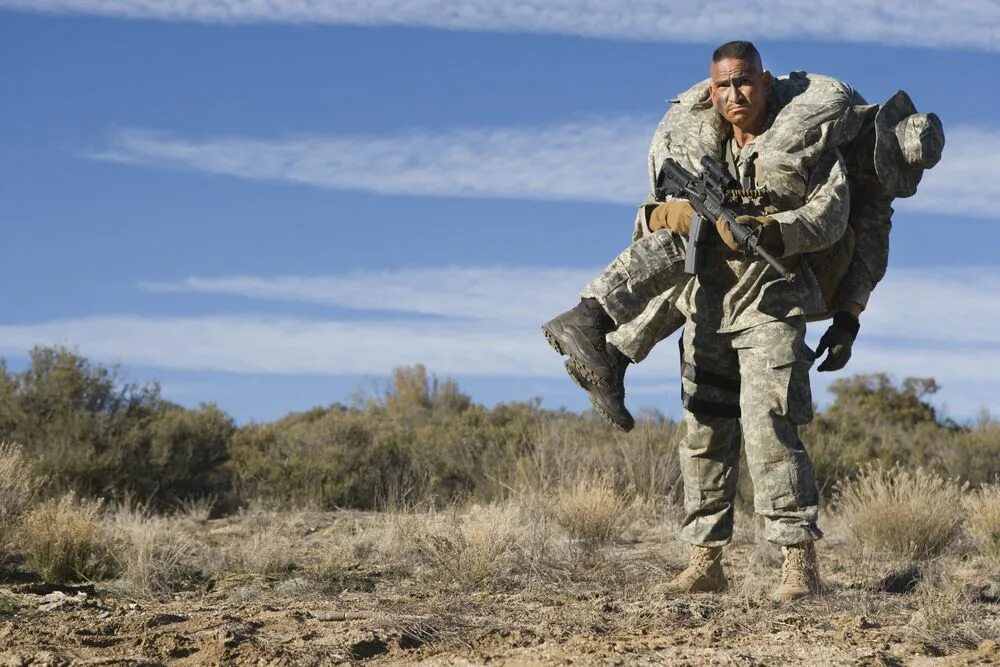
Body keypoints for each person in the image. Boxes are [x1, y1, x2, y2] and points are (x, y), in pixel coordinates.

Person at [543, 40, 942, 602]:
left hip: (773, 303)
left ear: (764, 80)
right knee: (703, 433)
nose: (735, 95)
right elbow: (648, 221)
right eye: (725, 86)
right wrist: (672, 213)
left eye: (745, 83)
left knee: (772, 430)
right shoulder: (693, 142)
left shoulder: (811, 144)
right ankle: (705, 562)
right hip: (706, 305)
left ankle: (797, 568)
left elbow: (831, 220)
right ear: (713, 89)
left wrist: (778, 239)